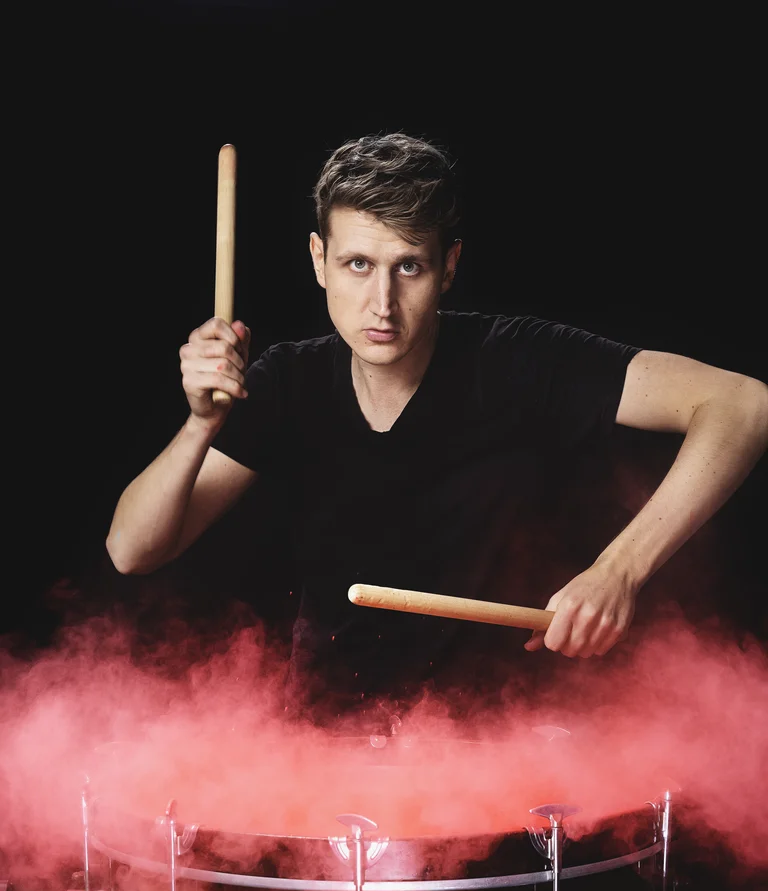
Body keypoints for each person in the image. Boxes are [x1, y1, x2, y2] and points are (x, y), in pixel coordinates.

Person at [107, 133, 768, 721]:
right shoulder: (286, 382)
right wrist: (199, 427)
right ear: (319, 260)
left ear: (448, 265)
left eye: (409, 267)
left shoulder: (519, 360)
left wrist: (619, 571)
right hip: (318, 759)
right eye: (358, 264)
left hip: (496, 757)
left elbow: (743, 404)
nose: (382, 304)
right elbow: (132, 551)